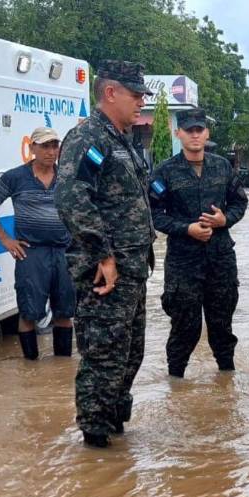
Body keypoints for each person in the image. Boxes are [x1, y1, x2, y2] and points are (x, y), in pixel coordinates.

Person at [55, 60, 155, 448]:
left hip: (132, 268)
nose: (141, 103)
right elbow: (71, 197)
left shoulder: (120, 139)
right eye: (135, 95)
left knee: (130, 351)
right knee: (104, 354)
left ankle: (115, 426)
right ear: (110, 92)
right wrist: (103, 255)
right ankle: (95, 442)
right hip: (106, 271)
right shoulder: (88, 139)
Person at [149, 108, 248, 377]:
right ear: (177, 133)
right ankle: (176, 382)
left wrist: (224, 220)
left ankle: (227, 380)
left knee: (222, 325)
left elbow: (240, 201)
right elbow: (155, 214)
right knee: (185, 326)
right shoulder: (165, 172)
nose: (195, 135)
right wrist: (186, 228)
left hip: (220, 259)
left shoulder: (223, 166)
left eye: (199, 130)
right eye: (189, 130)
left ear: (207, 133)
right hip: (184, 262)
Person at [0, 127, 74, 360]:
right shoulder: (16, 177)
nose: (51, 152)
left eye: (54, 146)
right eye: (45, 146)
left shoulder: (67, 176)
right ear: (32, 148)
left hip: (64, 251)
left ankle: (62, 366)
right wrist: (5, 239)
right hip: (32, 253)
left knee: (65, 312)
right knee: (29, 313)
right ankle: (30, 366)